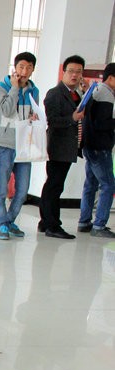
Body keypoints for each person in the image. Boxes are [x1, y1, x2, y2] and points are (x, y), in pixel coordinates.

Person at [0, 52, 40, 241]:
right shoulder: (1, 86)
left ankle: (9, 220)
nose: (25, 71)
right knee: (1, 189)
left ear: (33, 69)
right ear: (15, 67)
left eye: (29, 67)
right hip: (6, 144)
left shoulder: (33, 91)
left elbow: (33, 113)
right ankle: (1, 224)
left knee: (22, 191)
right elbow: (6, 110)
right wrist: (14, 88)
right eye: (21, 66)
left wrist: (34, 117)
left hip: (25, 146)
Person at [38, 56, 85, 240]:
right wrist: (72, 118)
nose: (75, 75)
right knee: (54, 185)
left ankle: (45, 222)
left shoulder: (76, 93)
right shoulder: (55, 93)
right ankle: (52, 225)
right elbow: (52, 121)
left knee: (55, 185)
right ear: (63, 72)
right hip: (58, 146)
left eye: (78, 72)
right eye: (71, 71)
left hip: (68, 147)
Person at [78, 62, 115, 239]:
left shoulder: (96, 90)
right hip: (100, 147)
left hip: (90, 145)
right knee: (108, 185)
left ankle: (84, 221)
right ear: (111, 78)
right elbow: (101, 123)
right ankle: (99, 225)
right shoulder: (106, 94)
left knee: (91, 184)